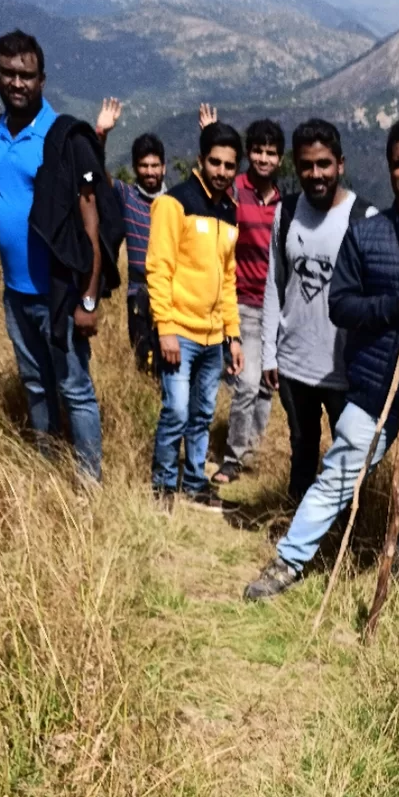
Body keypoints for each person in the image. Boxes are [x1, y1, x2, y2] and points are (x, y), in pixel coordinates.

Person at [243, 117, 399, 602]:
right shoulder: (366, 236)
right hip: (375, 390)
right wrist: (394, 307)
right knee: (337, 476)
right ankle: (290, 560)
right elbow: (342, 305)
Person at [0, 32, 123, 484]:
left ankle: (89, 484)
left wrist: (88, 302)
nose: (17, 83)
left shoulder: (64, 137)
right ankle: (46, 468)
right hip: (16, 293)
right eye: (8, 73)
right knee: (35, 383)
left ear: (42, 79)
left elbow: (93, 226)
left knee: (74, 388)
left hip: (61, 294)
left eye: (27, 75)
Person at [260, 118, 374, 503]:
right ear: (295, 165)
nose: (315, 174)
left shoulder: (364, 220)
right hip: (294, 365)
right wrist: (268, 353)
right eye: (306, 165)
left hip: (345, 370)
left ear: (340, 163)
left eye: (324, 164)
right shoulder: (287, 211)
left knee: (348, 459)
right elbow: (275, 285)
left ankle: (341, 533)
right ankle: (294, 524)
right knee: (302, 448)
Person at [146, 120, 243, 508]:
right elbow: (159, 268)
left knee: (202, 413)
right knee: (176, 410)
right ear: (200, 160)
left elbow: (229, 279)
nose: (221, 172)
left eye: (229, 165)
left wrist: (233, 335)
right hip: (180, 334)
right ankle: (164, 485)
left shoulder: (229, 211)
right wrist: (166, 328)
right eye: (215, 163)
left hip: (214, 337)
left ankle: (194, 483)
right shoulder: (175, 203)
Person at [211, 116, 284, 483]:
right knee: (248, 382)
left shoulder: (285, 204)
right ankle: (233, 457)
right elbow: (210, 190)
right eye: (257, 150)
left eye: (271, 153)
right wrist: (208, 133)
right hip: (242, 303)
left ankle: (251, 449)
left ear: (280, 160)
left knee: (268, 386)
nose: (263, 158)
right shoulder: (236, 190)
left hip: (276, 308)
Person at [117, 132, 167, 373]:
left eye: (155, 165)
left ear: (164, 167)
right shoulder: (127, 197)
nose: (150, 172)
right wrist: (101, 135)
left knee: (168, 358)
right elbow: (95, 175)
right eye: (144, 166)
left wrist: (208, 134)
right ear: (135, 168)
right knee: (142, 358)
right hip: (138, 292)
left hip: (169, 292)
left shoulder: (175, 201)